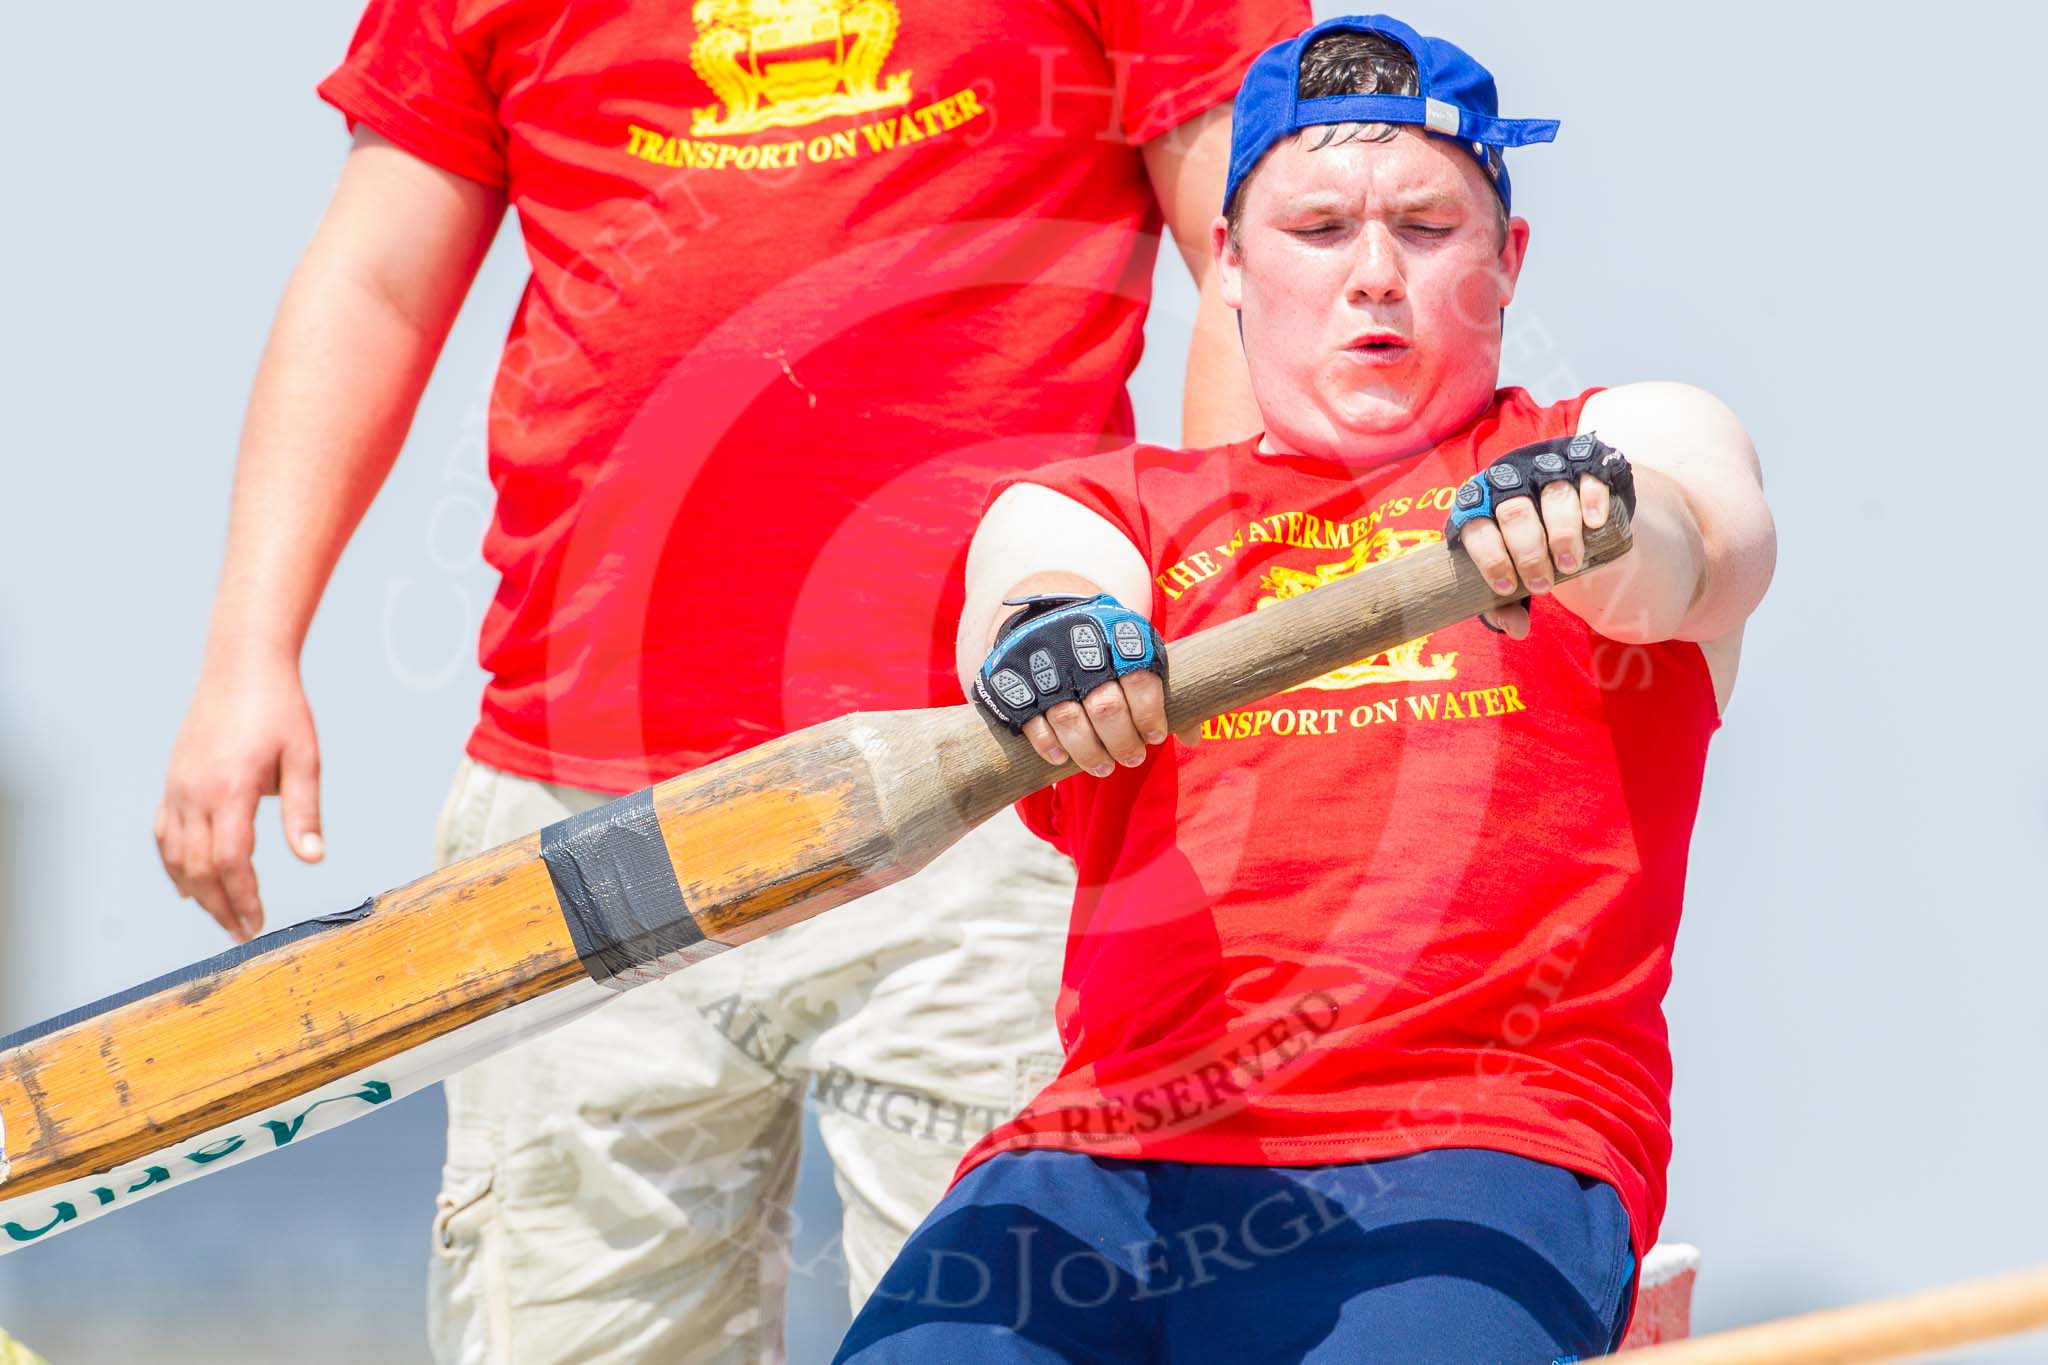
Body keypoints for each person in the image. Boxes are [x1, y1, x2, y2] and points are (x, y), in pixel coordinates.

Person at [152, 0, 1309, 1359]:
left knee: (1023, 1335)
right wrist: (249, 649)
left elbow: (1254, 254)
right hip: (579, 799)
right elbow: (373, 281)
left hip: (1004, 777)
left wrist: (1233, 650)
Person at [838, 13, 1776, 1362]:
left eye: (1428, 228)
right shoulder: (1116, 512)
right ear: (1228, 264)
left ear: (1509, 262)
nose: (1375, 277)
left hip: (1475, 1150)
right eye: (1320, 230)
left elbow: (1701, 539)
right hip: (1105, 1161)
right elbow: (1035, 569)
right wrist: (1057, 634)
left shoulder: (1614, 439)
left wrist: (1605, 523)